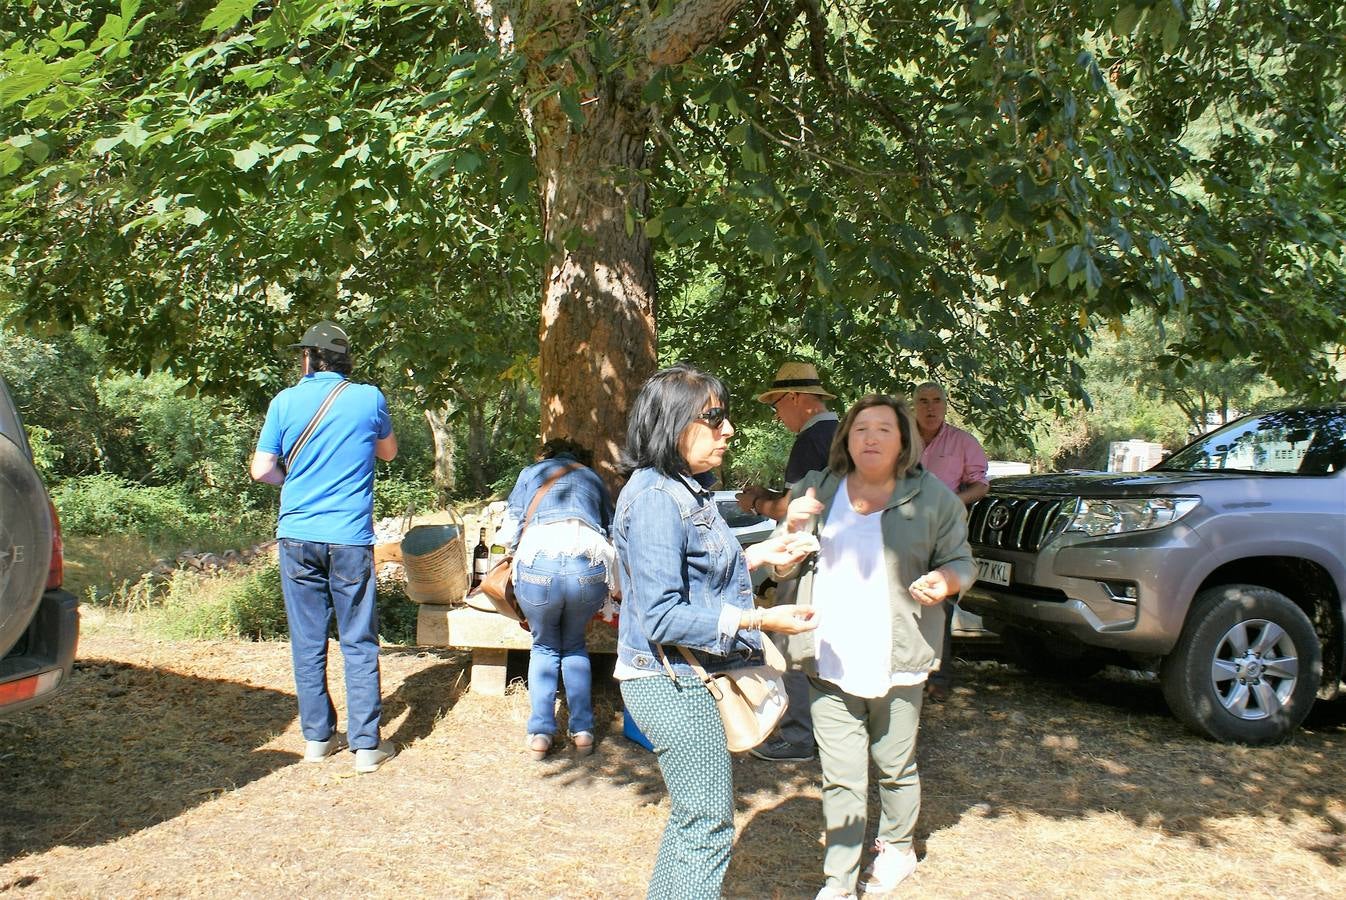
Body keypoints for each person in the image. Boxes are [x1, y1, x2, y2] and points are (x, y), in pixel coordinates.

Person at [614, 363, 821, 900]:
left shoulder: (681, 489)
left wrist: (759, 554)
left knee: (698, 821)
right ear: (673, 423)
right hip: (670, 680)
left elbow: (695, 577)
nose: (728, 429)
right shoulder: (659, 496)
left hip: (686, 675)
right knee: (705, 825)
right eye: (715, 417)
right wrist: (760, 620)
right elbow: (660, 616)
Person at [770, 394, 974, 899]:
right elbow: (782, 562)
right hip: (830, 656)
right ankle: (837, 882)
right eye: (861, 429)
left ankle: (897, 848)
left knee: (894, 765)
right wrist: (790, 538)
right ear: (847, 439)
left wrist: (946, 580)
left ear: (904, 439)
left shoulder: (934, 499)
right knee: (841, 776)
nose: (871, 437)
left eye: (884, 428)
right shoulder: (817, 488)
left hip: (898, 657)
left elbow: (962, 562)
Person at [250, 321, 399, 774]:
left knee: (308, 639)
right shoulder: (369, 398)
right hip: (350, 538)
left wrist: (289, 482)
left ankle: (317, 739)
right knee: (358, 639)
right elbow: (388, 453)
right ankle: (366, 747)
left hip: (297, 536)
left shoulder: (284, 402)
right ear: (344, 360)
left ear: (309, 359)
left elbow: (261, 470)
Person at [735, 361, 840, 762]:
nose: (776, 415)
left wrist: (757, 502)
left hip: (807, 556)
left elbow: (797, 506)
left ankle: (796, 736)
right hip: (841, 558)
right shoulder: (842, 434)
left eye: (776, 404)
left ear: (796, 398)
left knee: (792, 640)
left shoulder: (811, 438)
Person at [494, 438, 615, 761]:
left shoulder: (531, 473)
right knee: (574, 644)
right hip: (587, 566)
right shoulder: (592, 479)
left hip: (538, 565)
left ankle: (540, 734)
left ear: (546, 455)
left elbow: (509, 531)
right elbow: (610, 529)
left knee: (544, 646)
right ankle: (583, 732)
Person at [912, 381, 989, 702]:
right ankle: (907, 673)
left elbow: (981, 485)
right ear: (913, 406)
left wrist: (955, 503)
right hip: (902, 531)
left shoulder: (963, 442)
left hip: (944, 534)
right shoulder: (901, 440)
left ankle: (938, 677)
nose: (930, 407)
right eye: (923, 401)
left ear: (945, 405)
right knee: (903, 599)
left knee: (939, 604)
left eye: (937, 401)